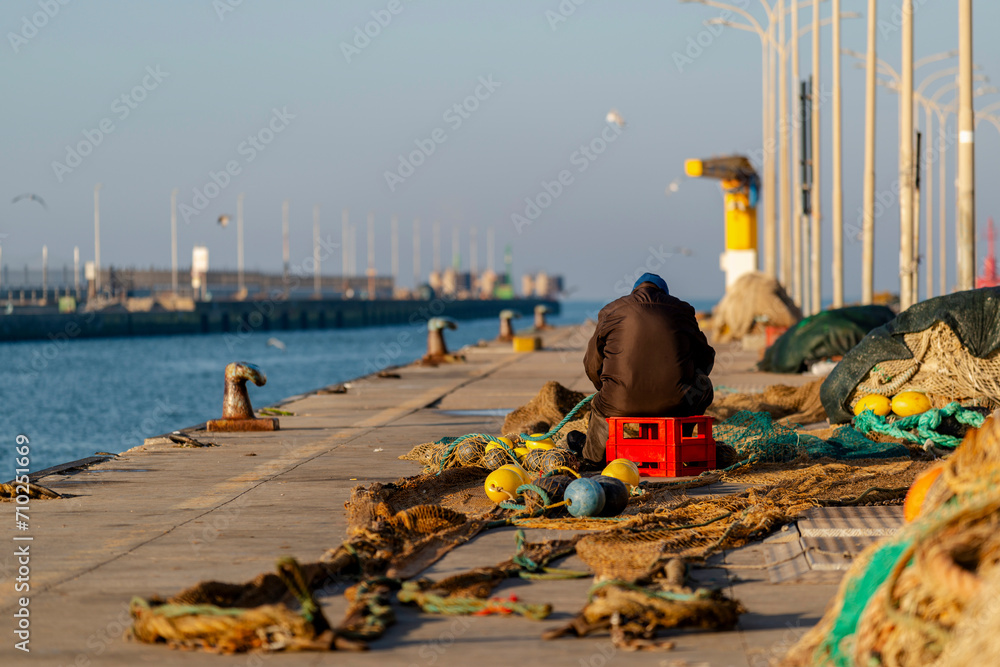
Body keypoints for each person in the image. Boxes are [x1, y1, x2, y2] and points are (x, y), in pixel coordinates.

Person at [582, 273, 715, 465]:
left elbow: (592, 363)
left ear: (635, 291)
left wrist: (605, 389)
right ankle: (678, 443)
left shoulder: (611, 310)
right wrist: (688, 376)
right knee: (704, 387)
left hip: (619, 400)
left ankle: (593, 460)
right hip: (677, 403)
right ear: (663, 293)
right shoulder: (681, 310)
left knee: (600, 407)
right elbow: (706, 357)